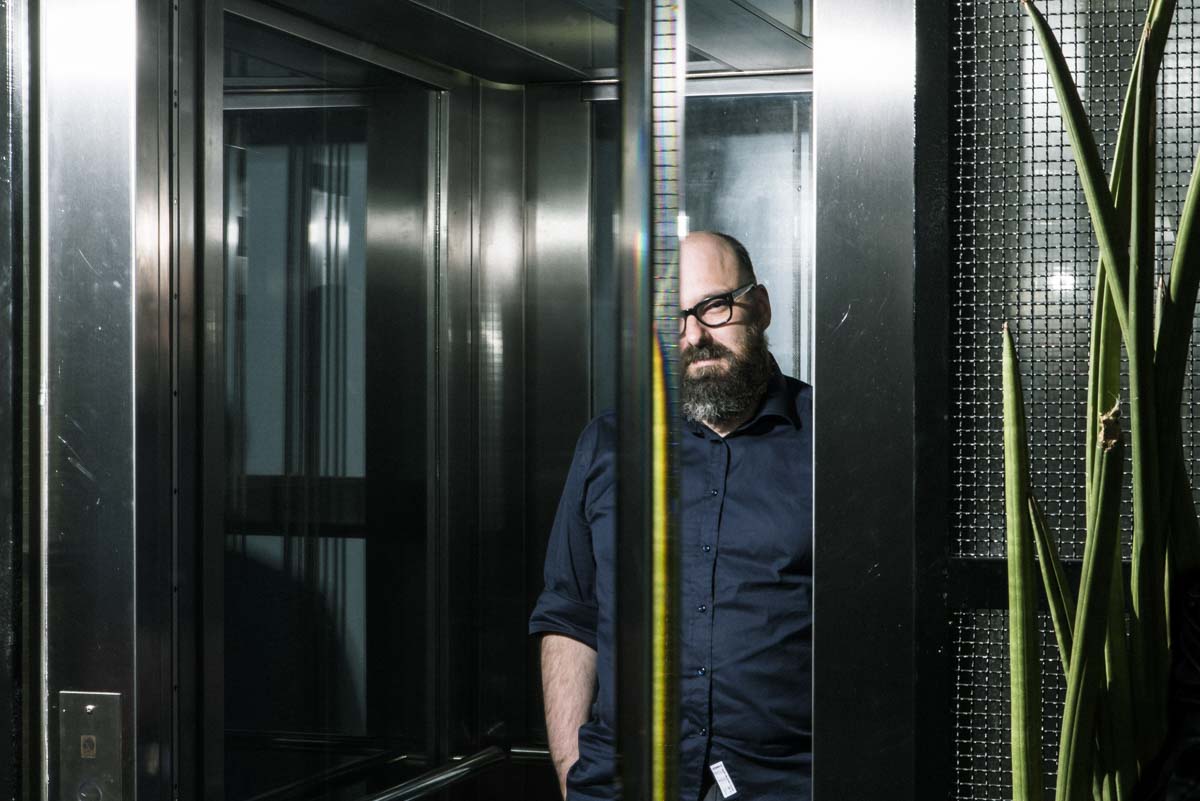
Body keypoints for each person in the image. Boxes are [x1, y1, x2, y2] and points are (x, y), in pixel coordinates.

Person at [529, 231, 813, 801]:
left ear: (760, 307)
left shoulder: (827, 444)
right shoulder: (609, 445)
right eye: (674, 320)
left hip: (780, 786)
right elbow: (570, 615)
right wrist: (570, 771)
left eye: (715, 307)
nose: (695, 337)